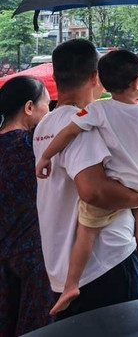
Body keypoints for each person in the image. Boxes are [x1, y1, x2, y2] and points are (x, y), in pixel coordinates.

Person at [33, 39, 138, 320]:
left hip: (62, 265)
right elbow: (93, 191)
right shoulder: (81, 124)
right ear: (96, 76)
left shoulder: (45, 124)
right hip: (105, 264)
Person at [0, 76, 56, 337]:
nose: (50, 110)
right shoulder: (33, 149)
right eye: (46, 104)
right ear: (29, 107)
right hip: (34, 257)